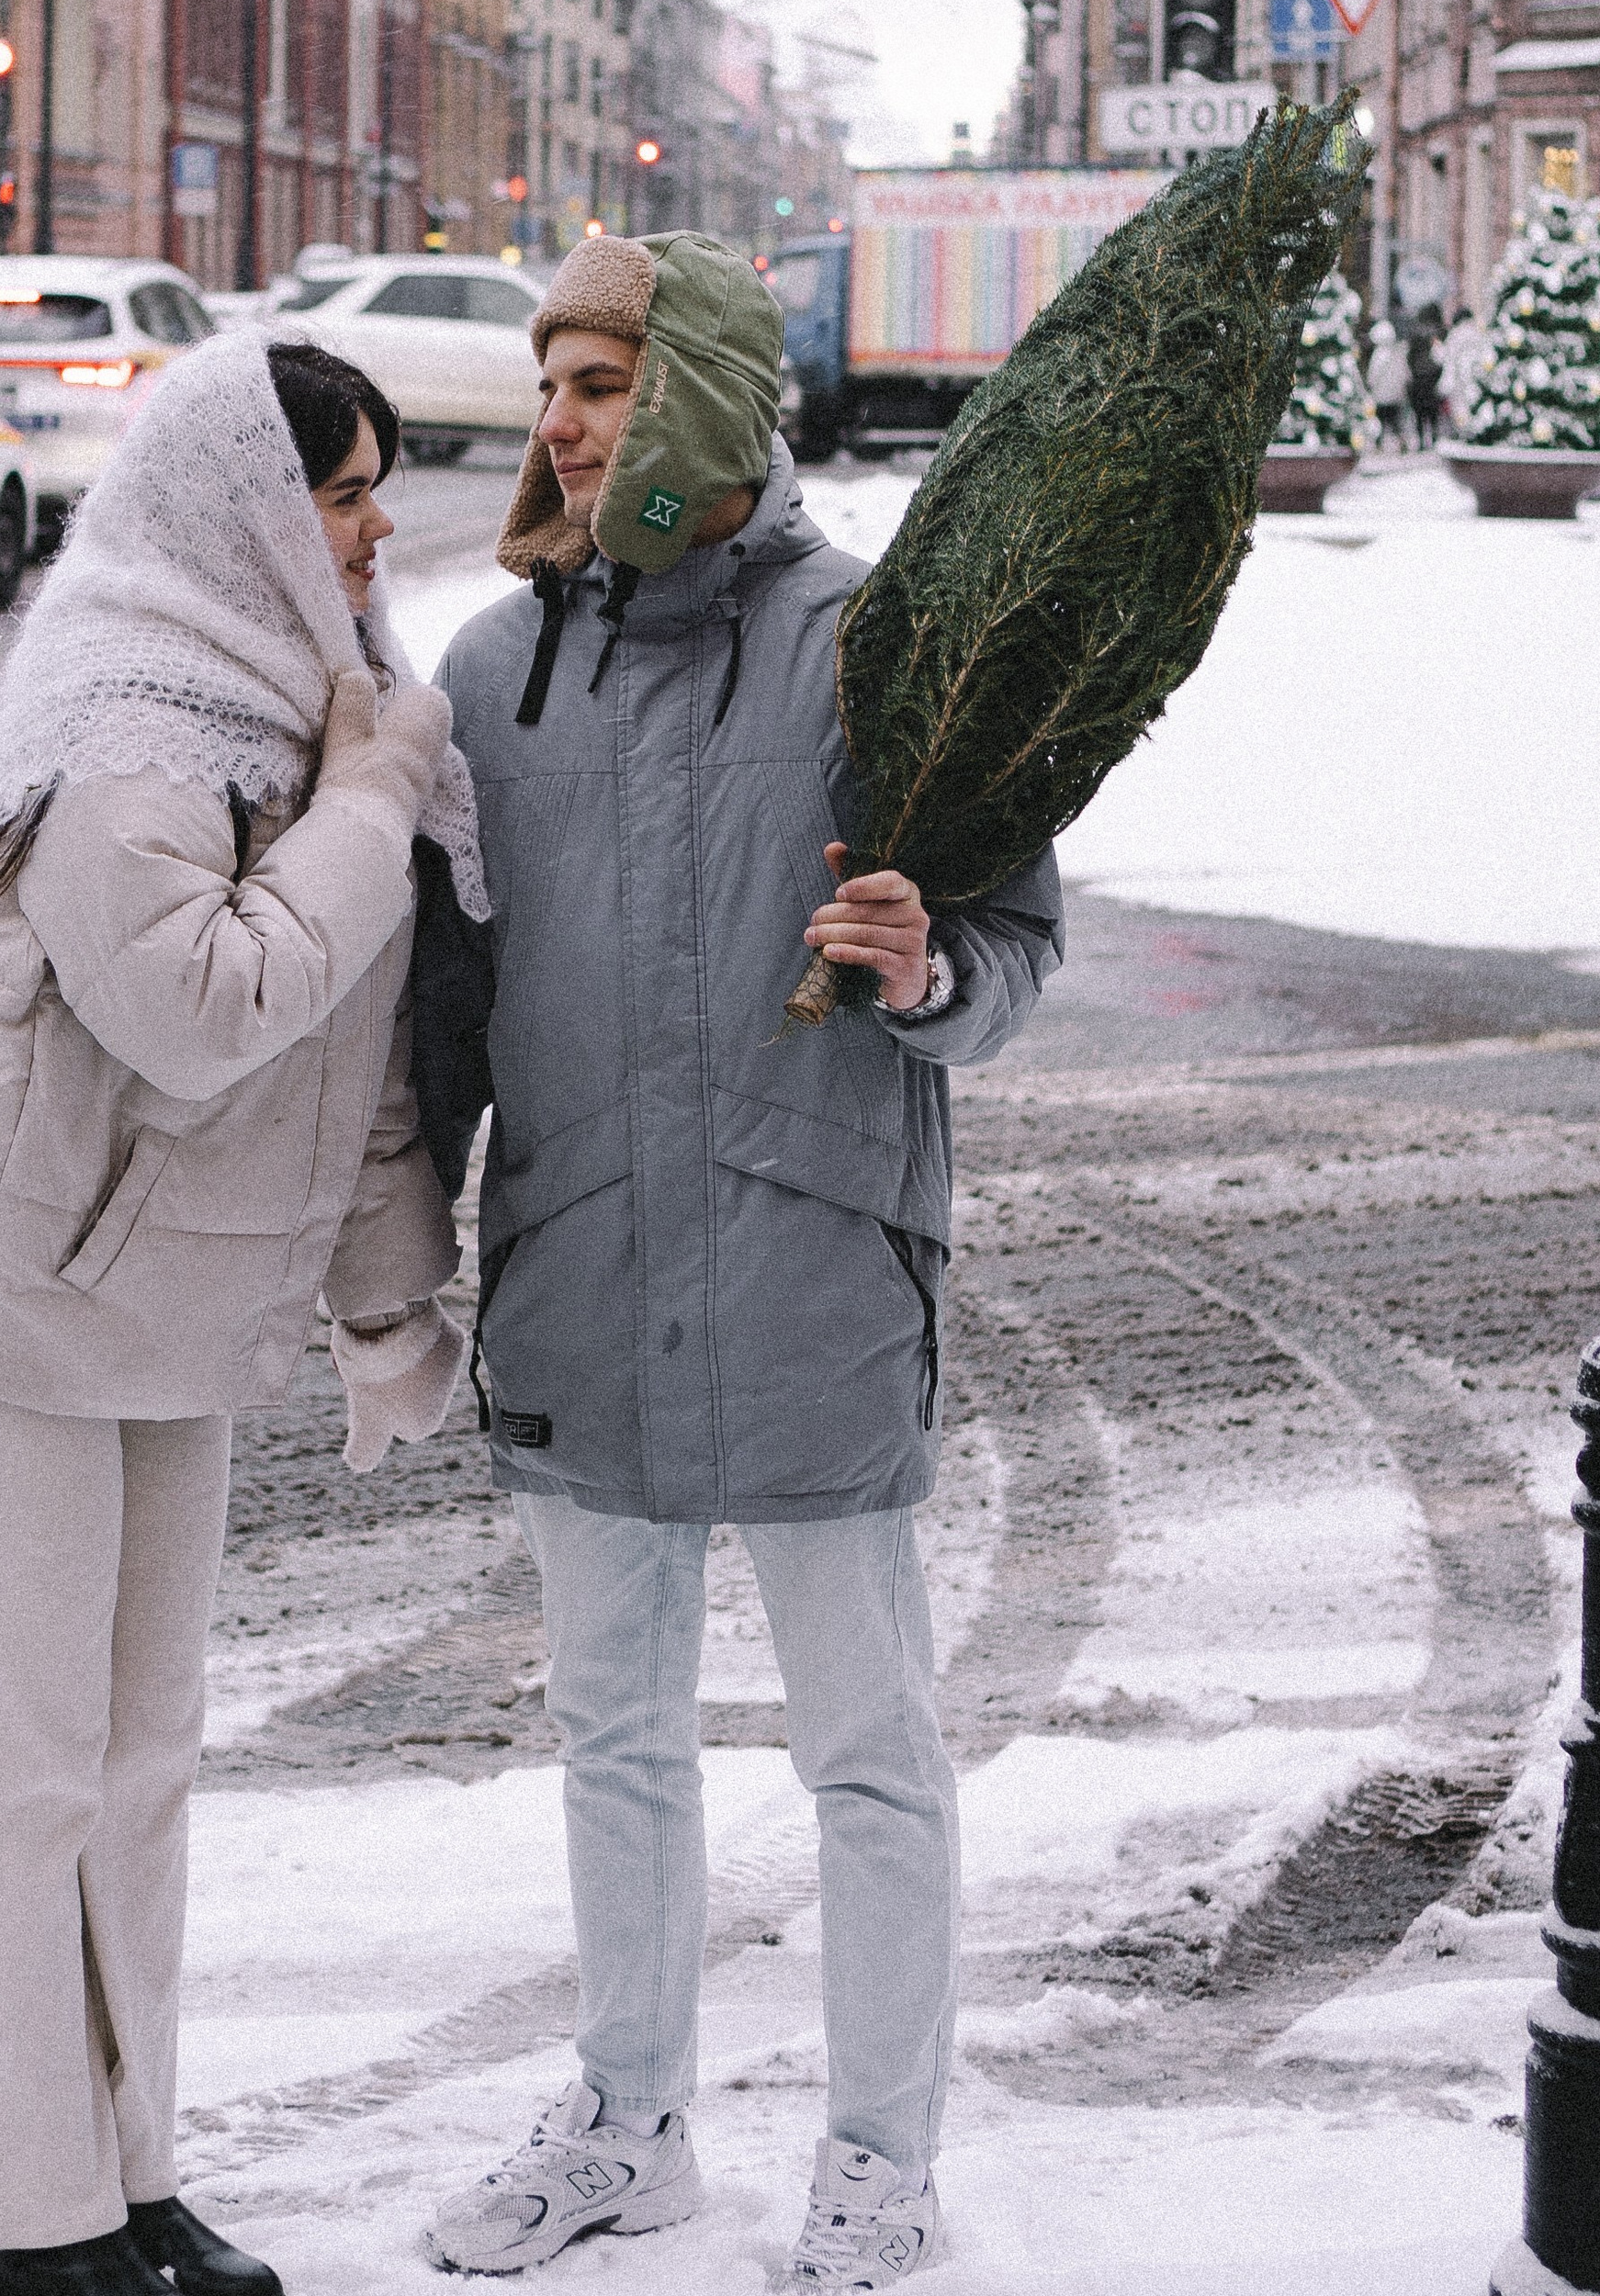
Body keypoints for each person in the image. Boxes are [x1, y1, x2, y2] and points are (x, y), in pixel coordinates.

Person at [422, 232, 1062, 2293]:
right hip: (576, 1262)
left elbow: (1014, 946)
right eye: (546, 388)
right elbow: (440, 1014)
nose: (557, 426)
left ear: (692, 387)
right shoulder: (493, 671)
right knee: (610, 1734)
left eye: (595, 384)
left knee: (864, 1748)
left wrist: (931, 962)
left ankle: (879, 2158)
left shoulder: (884, 642)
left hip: (810, 1258)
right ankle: (627, 2122)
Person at [0, 336, 484, 2296]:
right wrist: (369, 805)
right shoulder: (130, 716)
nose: (377, 527)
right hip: (0, 1314)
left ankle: (118, 2180)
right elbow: (205, 1010)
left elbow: (353, 1061)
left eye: (375, 486)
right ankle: (13, 2229)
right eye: (344, 488)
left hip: (159, 1316)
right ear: (234, 504)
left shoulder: (313, 707)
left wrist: (390, 1312)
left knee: (137, 1764)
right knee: (7, 1775)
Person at [1438, 301, 1492, 437]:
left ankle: (1464, 435)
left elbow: (1448, 361)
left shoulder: (1454, 336)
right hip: (1477, 381)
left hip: (1459, 383)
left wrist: (1446, 383)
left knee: (1461, 410)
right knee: (1477, 409)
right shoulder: (1479, 334)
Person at [1366, 310, 1411, 450]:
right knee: (1396, 421)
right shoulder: (1396, 352)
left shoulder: (1379, 354)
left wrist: (1370, 385)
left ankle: (1378, 444)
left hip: (1381, 395)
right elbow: (1404, 372)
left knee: (1380, 420)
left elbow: (1373, 374)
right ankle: (1402, 442)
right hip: (1395, 394)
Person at [1405, 313, 1443, 450]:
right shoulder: (1433, 336)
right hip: (1431, 380)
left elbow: (1409, 359)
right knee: (1432, 413)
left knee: (1420, 414)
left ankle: (1422, 441)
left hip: (1418, 381)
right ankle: (1434, 438)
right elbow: (1439, 360)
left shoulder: (1414, 338)